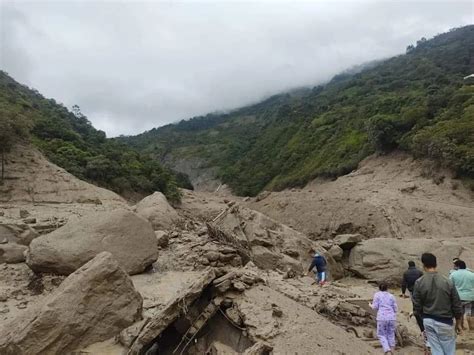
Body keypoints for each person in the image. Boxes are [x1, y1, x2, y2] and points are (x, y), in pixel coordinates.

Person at [413, 253, 463, 355]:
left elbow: (416, 305)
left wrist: (421, 319)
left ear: (423, 265)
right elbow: (457, 305)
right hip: (445, 321)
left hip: (428, 321)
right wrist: (458, 323)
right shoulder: (447, 282)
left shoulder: (419, 282)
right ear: (436, 264)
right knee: (449, 351)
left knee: (436, 351)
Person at [370, 282, 398, 355]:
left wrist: (370, 305)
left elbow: (375, 307)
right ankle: (392, 350)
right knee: (391, 334)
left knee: (381, 334)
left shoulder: (377, 295)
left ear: (379, 288)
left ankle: (387, 350)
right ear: (387, 288)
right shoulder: (391, 296)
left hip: (382, 317)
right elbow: (395, 308)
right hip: (391, 317)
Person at [449, 260, 474, 331]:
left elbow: (450, 285)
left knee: (460, 313)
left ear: (458, 266)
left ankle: (460, 328)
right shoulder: (472, 274)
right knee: (470, 313)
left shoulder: (453, 274)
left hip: (458, 297)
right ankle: (472, 329)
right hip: (471, 297)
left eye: (455, 266)